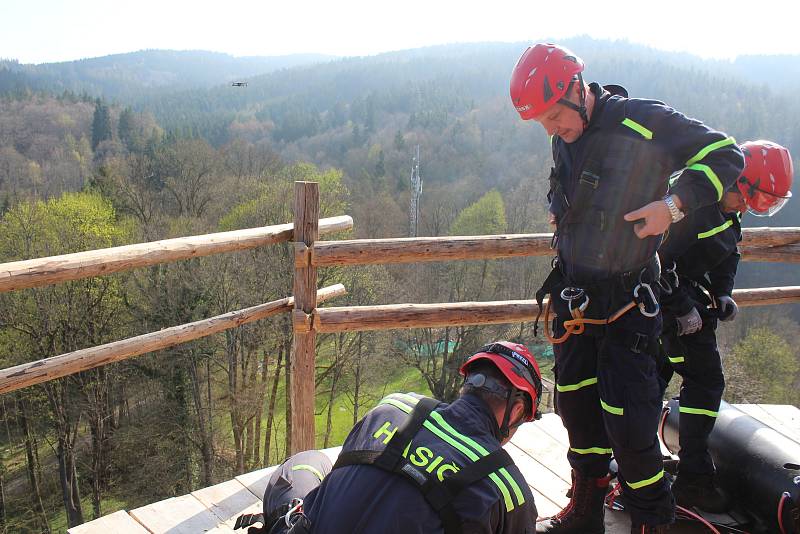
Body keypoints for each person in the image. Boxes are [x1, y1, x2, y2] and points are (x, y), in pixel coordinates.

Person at [509, 43, 745, 534]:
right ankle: (588, 508)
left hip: (628, 302)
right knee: (575, 404)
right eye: (543, 123)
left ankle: (649, 521)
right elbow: (565, 179)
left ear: (578, 89)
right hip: (576, 298)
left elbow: (726, 155)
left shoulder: (642, 121)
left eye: (554, 116)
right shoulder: (565, 133)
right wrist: (559, 205)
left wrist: (674, 206)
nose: (552, 129)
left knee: (630, 419)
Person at [237, 341, 543, 534]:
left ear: (467, 384)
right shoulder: (508, 490)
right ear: (516, 411)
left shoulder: (393, 408)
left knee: (307, 462)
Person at [657, 140, 793, 512]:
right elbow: (654, 260)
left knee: (654, 378)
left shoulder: (730, 208)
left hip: (687, 301)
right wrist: (682, 307)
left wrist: (722, 292)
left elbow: (727, 253)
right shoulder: (692, 206)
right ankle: (693, 479)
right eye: (752, 199)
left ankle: (643, 463)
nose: (749, 209)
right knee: (703, 381)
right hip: (663, 301)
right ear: (736, 181)